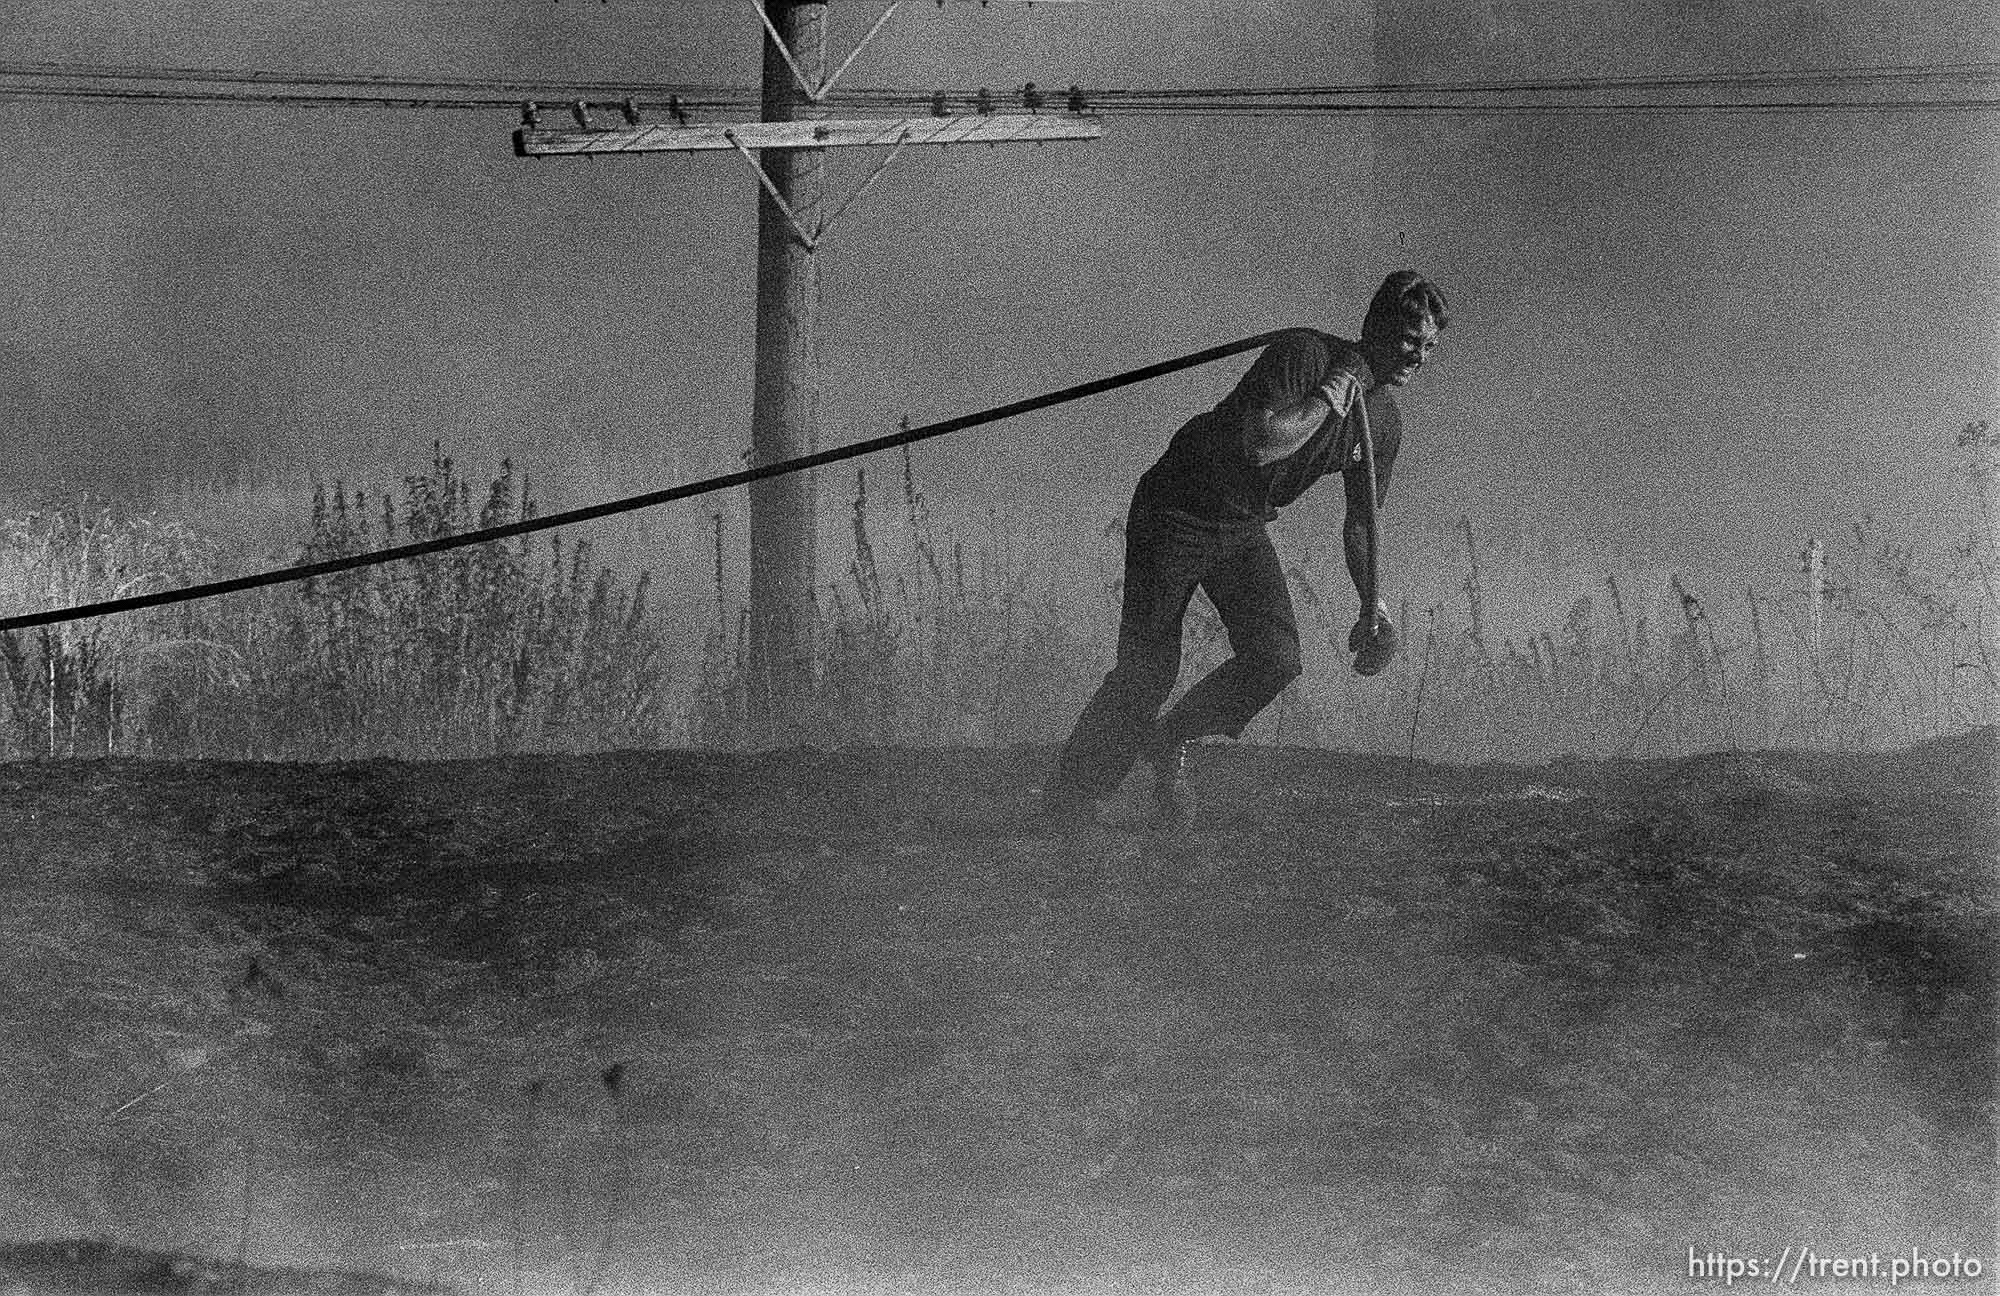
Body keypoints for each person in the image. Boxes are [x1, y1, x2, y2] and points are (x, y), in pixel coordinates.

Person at [1043, 270, 1449, 828]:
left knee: (1276, 658)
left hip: (1240, 526)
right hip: (1178, 509)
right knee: (1149, 670)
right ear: (1376, 327)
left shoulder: (1382, 422)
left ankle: (1171, 738)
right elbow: (1261, 445)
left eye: (1428, 346)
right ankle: (1069, 801)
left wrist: (1372, 604)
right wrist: (1332, 394)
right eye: (1408, 340)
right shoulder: (1303, 356)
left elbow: (1361, 523)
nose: (1418, 357)